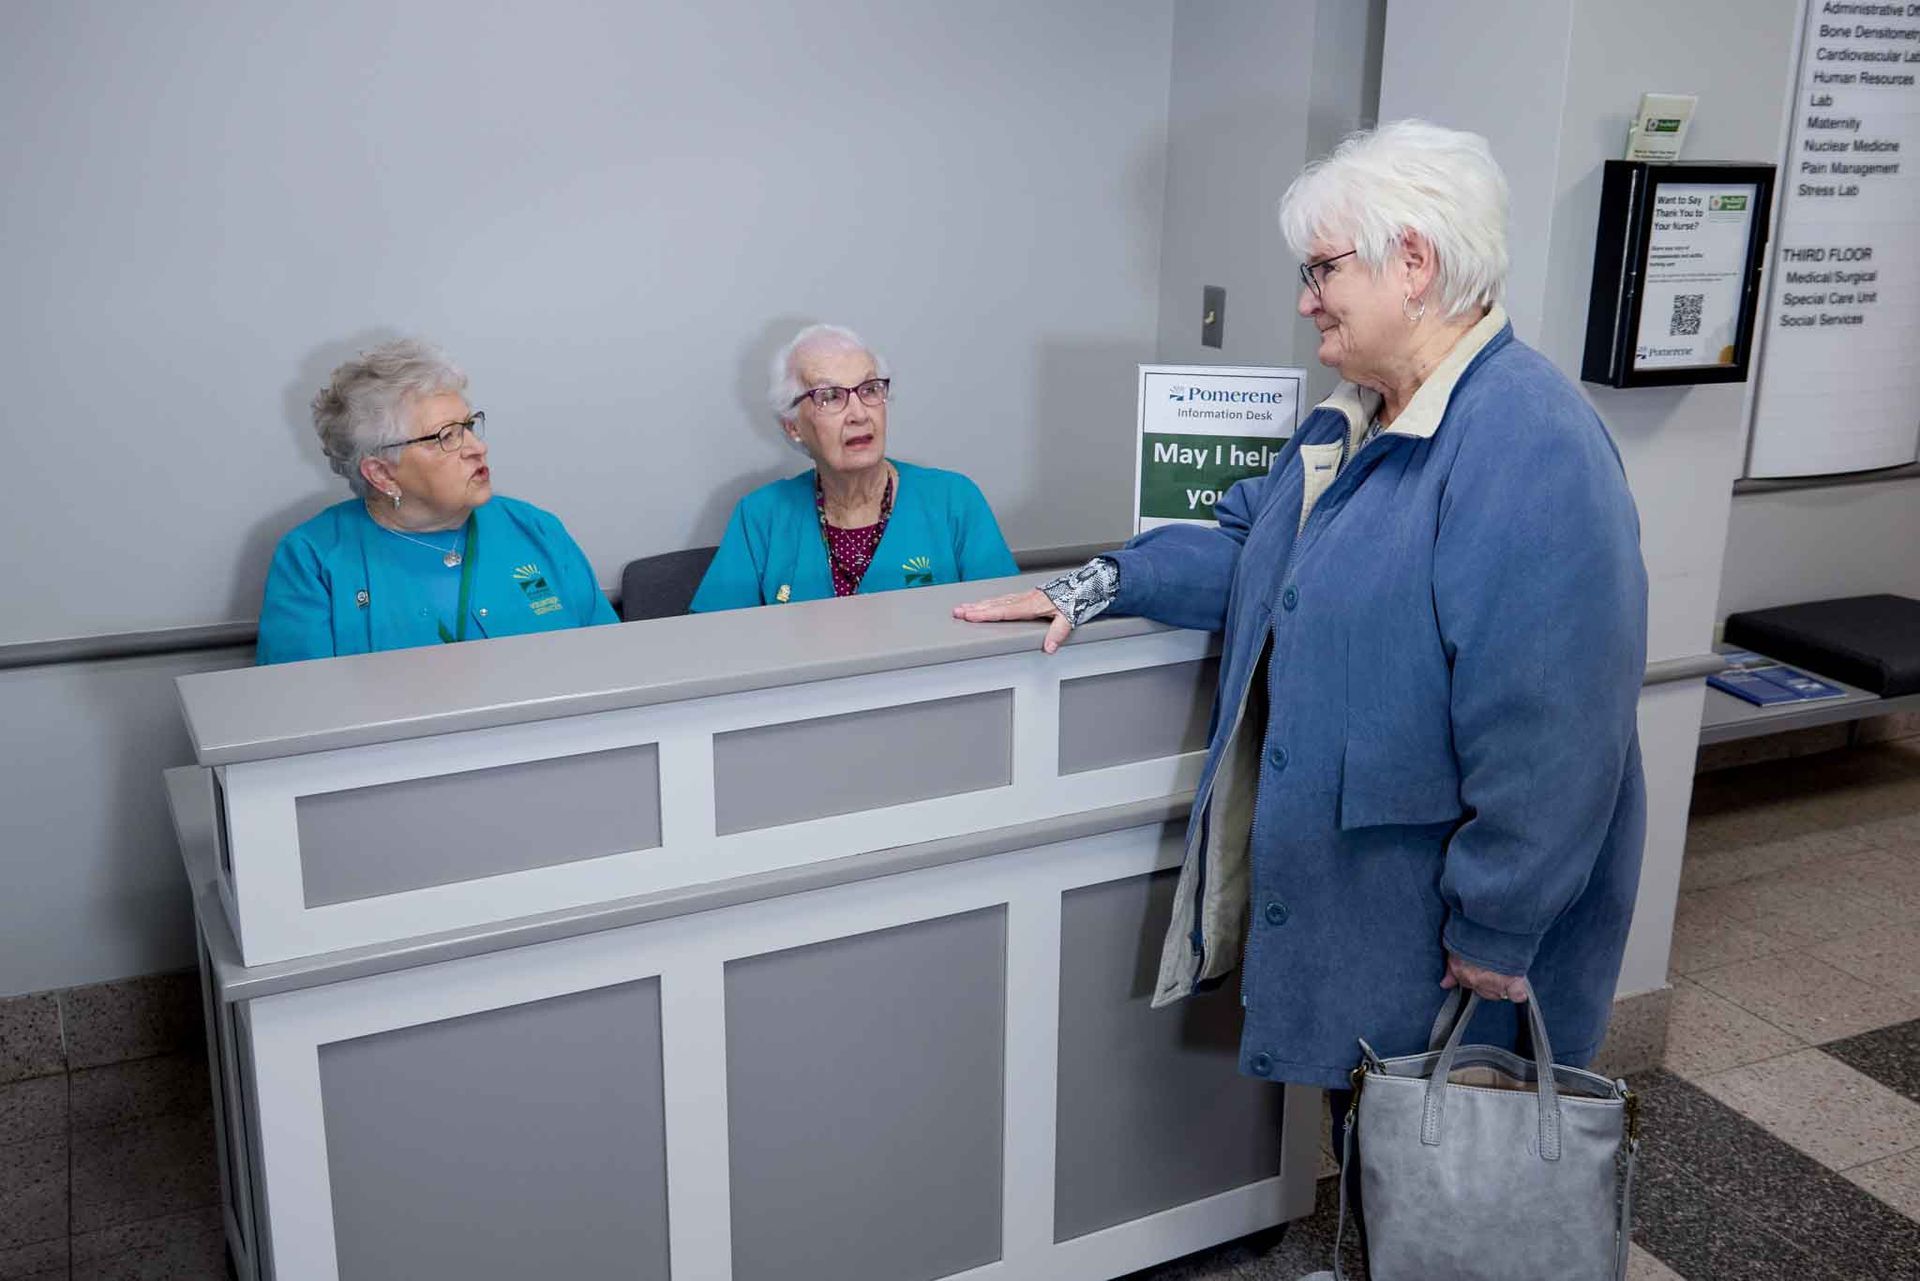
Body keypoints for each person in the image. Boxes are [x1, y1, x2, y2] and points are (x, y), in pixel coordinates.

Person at [956, 121, 1647, 1108]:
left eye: (1322, 270)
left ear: (1412, 262)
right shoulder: (1359, 411)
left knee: (1460, 1182)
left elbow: (1561, 727)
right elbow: (1255, 551)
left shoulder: (1528, 439)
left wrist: (1499, 921)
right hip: (1374, 910)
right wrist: (1101, 583)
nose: (1304, 300)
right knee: (1389, 1152)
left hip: (1454, 926)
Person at [256, 338, 616, 664]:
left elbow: (612, 665)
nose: (477, 448)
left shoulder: (536, 529)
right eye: (447, 437)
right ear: (382, 474)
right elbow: (302, 716)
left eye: (469, 427)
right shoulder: (313, 559)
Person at [689, 324, 1018, 611]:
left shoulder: (953, 501)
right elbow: (714, 643)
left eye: (870, 389)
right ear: (793, 426)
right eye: (830, 397)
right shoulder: (761, 517)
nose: (859, 414)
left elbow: (1006, 628)